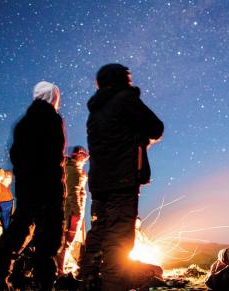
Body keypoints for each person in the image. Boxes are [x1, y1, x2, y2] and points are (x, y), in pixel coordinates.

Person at [80, 63, 164, 290]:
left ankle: (87, 280)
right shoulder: (125, 99)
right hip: (123, 181)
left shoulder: (94, 111)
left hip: (98, 183)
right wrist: (143, 140)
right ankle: (112, 285)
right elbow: (156, 127)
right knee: (119, 237)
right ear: (121, 79)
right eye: (128, 77)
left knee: (98, 232)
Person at [0, 81, 65, 290]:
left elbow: (16, 154)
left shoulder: (24, 122)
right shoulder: (51, 118)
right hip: (47, 186)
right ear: (52, 98)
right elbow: (54, 154)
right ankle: (44, 281)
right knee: (48, 235)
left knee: (20, 228)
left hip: (27, 187)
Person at [57, 146, 89, 275]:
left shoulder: (74, 169)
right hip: (73, 211)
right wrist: (78, 212)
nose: (85, 160)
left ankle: (62, 267)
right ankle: (60, 270)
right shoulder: (74, 170)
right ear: (80, 156)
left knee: (67, 241)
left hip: (72, 210)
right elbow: (73, 192)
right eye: (84, 158)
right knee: (67, 241)